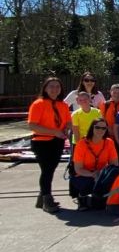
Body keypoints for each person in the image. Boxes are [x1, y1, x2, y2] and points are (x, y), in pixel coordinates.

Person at [28, 77, 71, 213]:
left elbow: (68, 122)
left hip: (57, 142)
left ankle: (42, 198)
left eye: (57, 87)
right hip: (42, 142)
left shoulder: (63, 105)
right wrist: (54, 132)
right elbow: (32, 125)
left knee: (50, 170)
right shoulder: (38, 104)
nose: (54, 89)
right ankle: (47, 199)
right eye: (51, 86)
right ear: (45, 88)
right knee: (47, 171)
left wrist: (67, 130)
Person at [71, 118, 119, 211]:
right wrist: (94, 174)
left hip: (101, 173)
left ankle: (102, 198)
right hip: (83, 174)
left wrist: (105, 174)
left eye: (103, 128)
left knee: (113, 178)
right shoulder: (81, 143)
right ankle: (81, 197)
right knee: (88, 183)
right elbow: (78, 169)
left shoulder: (109, 142)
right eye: (97, 127)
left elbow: (114, 164)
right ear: (92, 128)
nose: (100, 130)